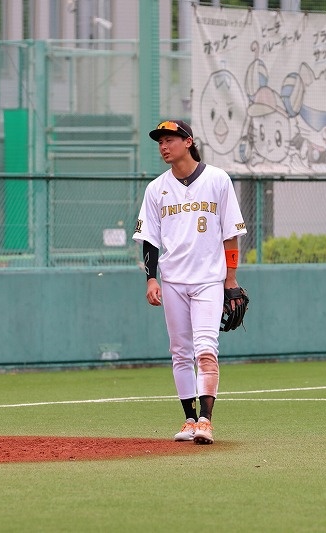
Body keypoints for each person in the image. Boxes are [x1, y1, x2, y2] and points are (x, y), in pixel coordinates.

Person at [132, 119, 247, 445]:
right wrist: (151, 279)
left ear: (188, 142)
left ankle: (206, 422)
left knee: (206, 349)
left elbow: (230, 234)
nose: (163, 146)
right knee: (180, 352)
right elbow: (150, 239)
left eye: (170, 139)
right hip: (173, 281)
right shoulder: (156, 189)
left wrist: (231, 279)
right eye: (160, 142)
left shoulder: (217, 180)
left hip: (209, 280)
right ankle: (189, 419)